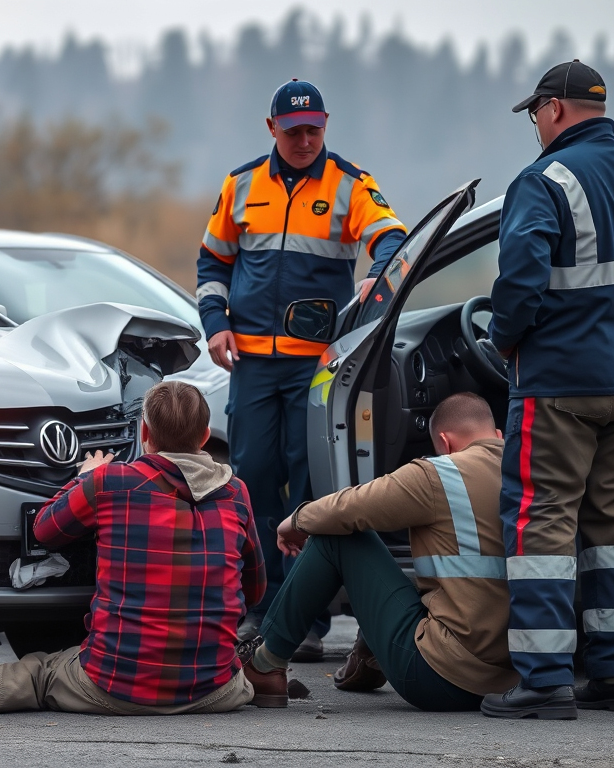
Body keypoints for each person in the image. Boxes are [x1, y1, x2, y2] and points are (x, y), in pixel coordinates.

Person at [481, 60, 614, 720]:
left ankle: (544, 678)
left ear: (555, 109)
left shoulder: (544, 180)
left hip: (561, 381)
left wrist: (504, 338)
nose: (535, 125)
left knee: (543, 520)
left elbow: (522, 279)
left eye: (534, 113)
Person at [196, 78, 410, 660]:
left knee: (311, 491)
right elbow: (213, 261)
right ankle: (261, 613)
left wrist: (378, 271)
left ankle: (307, 620)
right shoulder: (240, 185)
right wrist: (214, 322)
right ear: (272, 130)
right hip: (252, 365)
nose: (305, 139)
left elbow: (392, 237)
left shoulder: (350, 183)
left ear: (326, 124)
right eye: (293, 131)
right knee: (252, 482)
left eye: (314, 129)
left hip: (316, 368)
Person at [0, 381, 267, 716]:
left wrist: (85, 476)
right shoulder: (236, 493)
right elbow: (255, 590)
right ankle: (263, 679)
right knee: (232, 671)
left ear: (145, 432)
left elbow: (44, 529)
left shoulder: (111, 482)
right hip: (216, 690)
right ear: (204, 436)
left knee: (48, 669)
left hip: (119, 686)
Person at [241, 393, 520, 711]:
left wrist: (296, 521)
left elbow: (348, 507)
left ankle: (264, 664)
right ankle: (368, 655)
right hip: (516, 682)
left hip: (444, 679)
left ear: (445, 443)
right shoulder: (533, 473)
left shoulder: (440, 474)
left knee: (338, 537)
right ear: (497, 435)